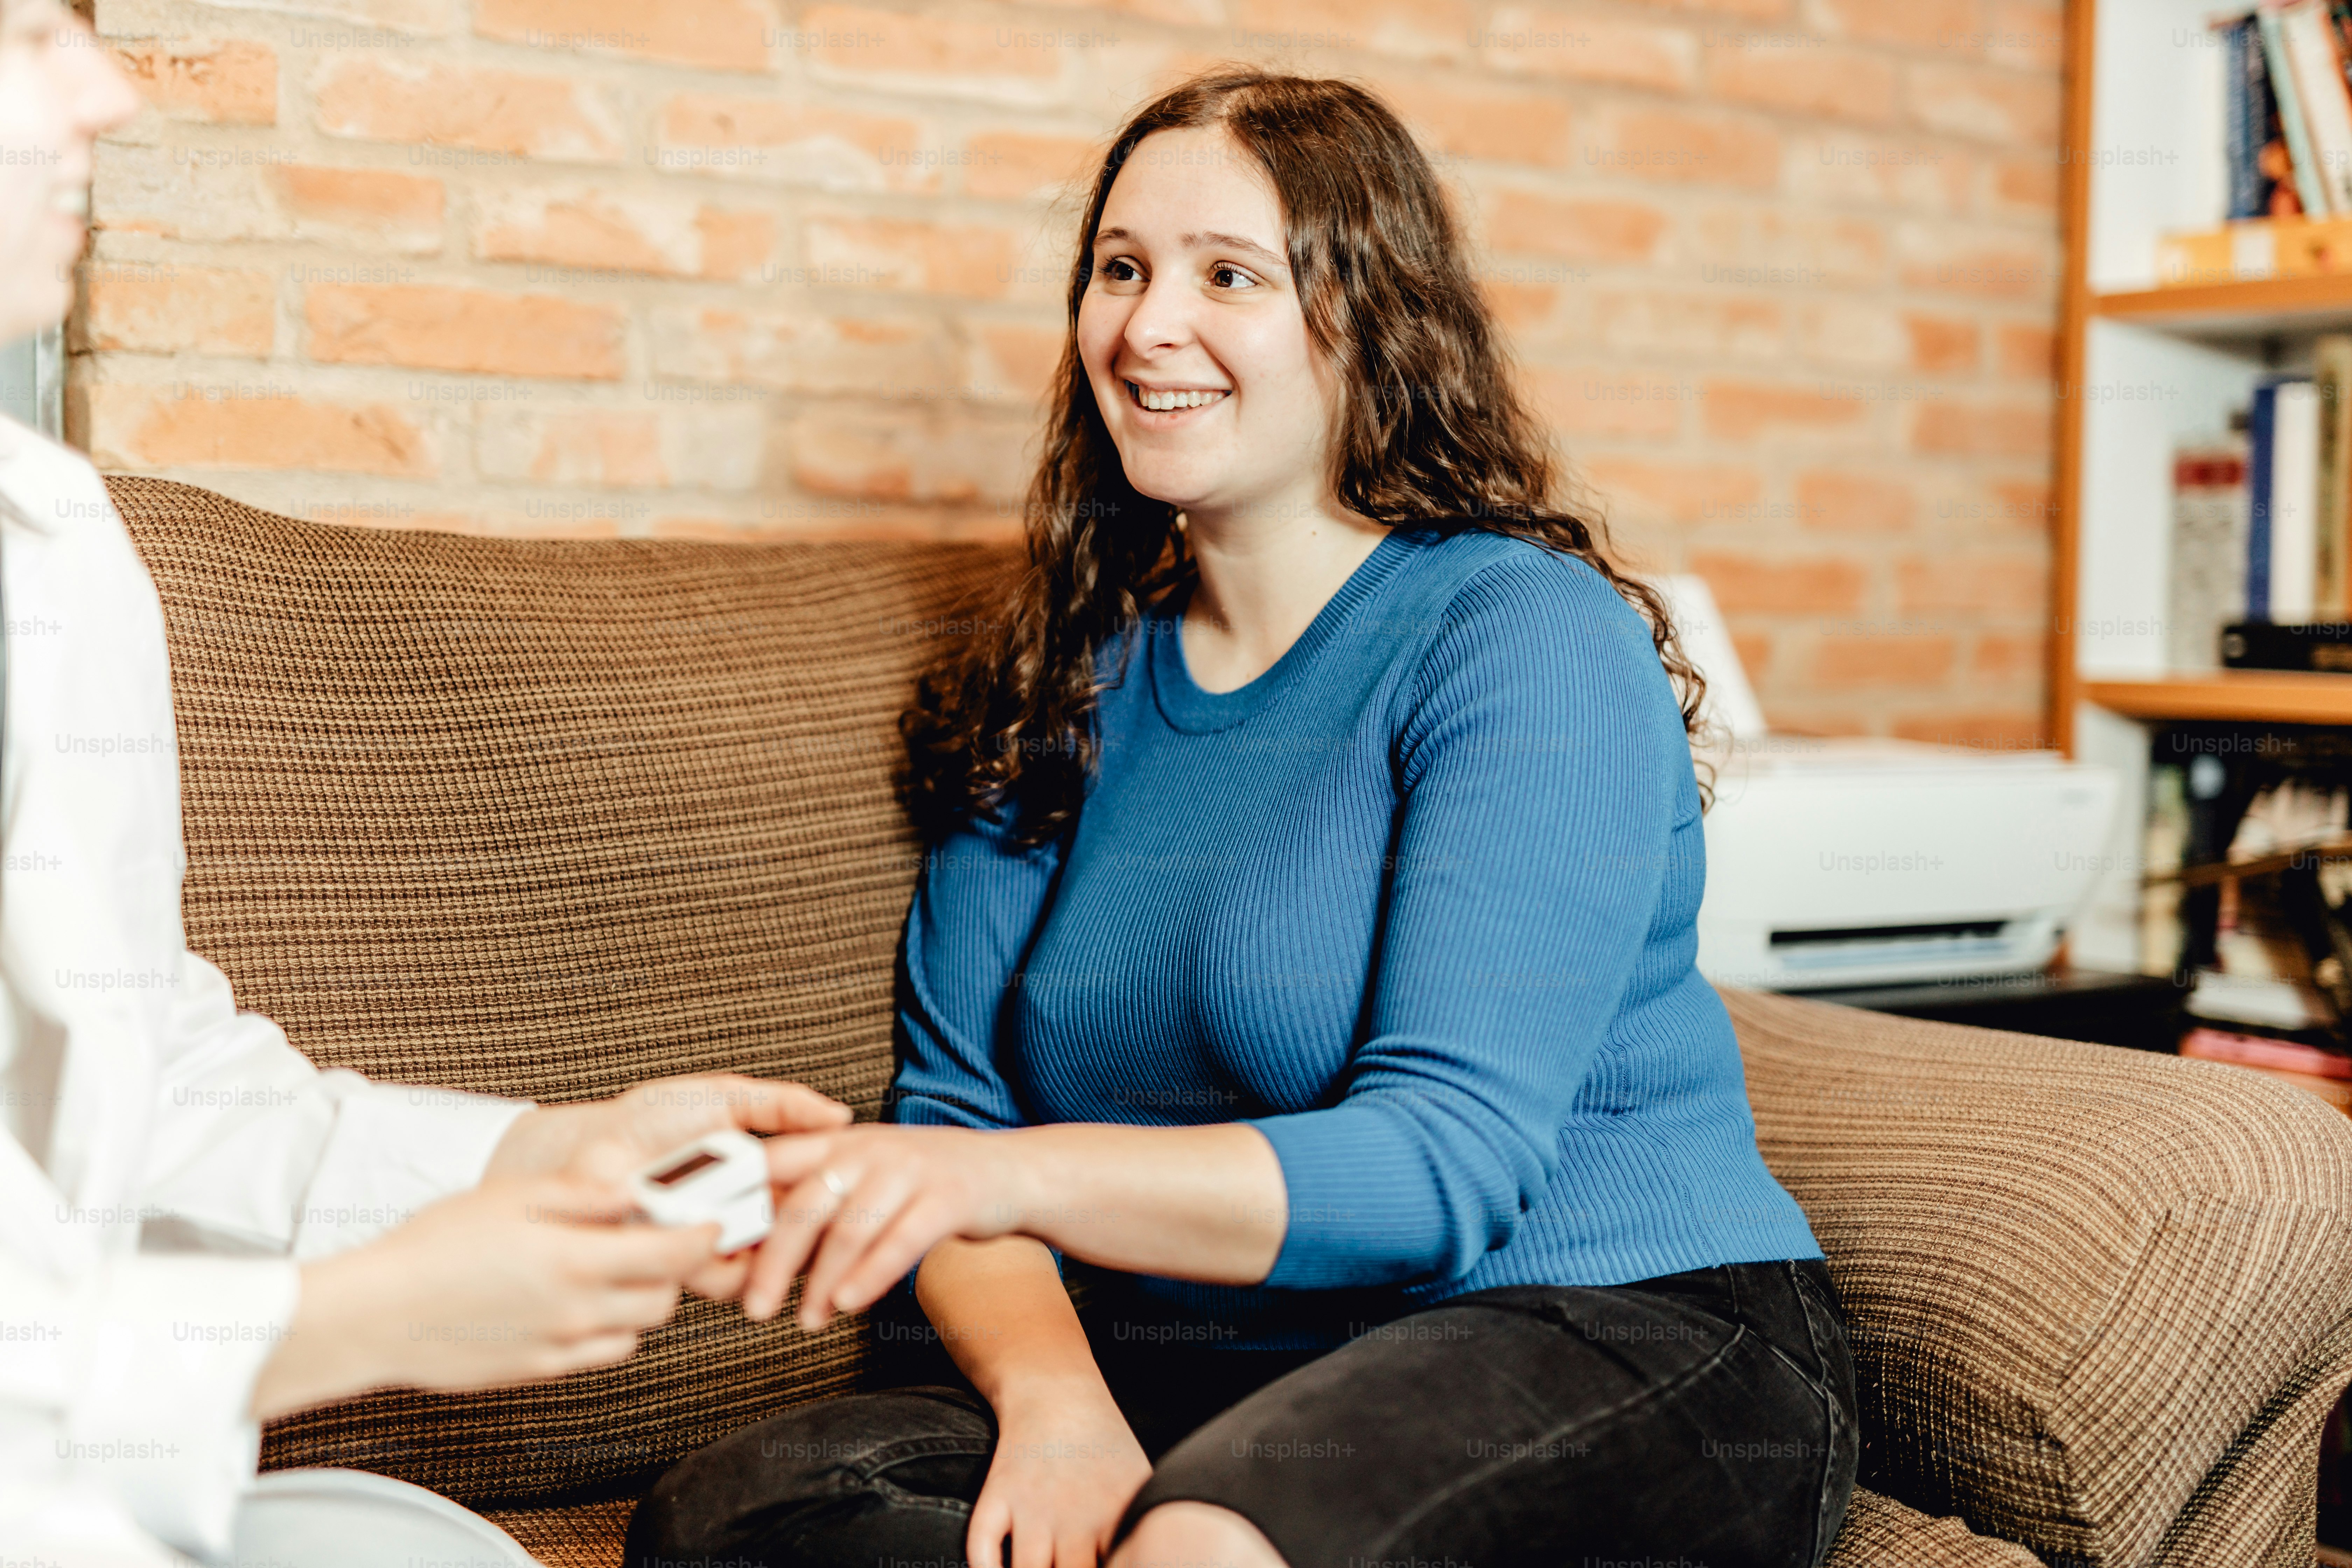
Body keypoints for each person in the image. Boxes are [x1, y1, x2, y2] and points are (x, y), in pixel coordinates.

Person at [632, 68, 1859, 1568]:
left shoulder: (1515, 634)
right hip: (1225, 1367)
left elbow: (1437, 1169)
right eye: (1122, 269)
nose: (1150, 326)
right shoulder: (1058, 676)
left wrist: (1001, 1178)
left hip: (1606, 1326)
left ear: (1373, 321)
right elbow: (957, 1116)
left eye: (1231, 277)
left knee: (1208, 1541)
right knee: (738, 1520)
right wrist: (1059, 1402)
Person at [0, 5, 852, 1564]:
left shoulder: (50, 540)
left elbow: (147, 1076)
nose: (110, 87)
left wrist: (529, 1154)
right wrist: (358, 1315)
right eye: (29, 34)